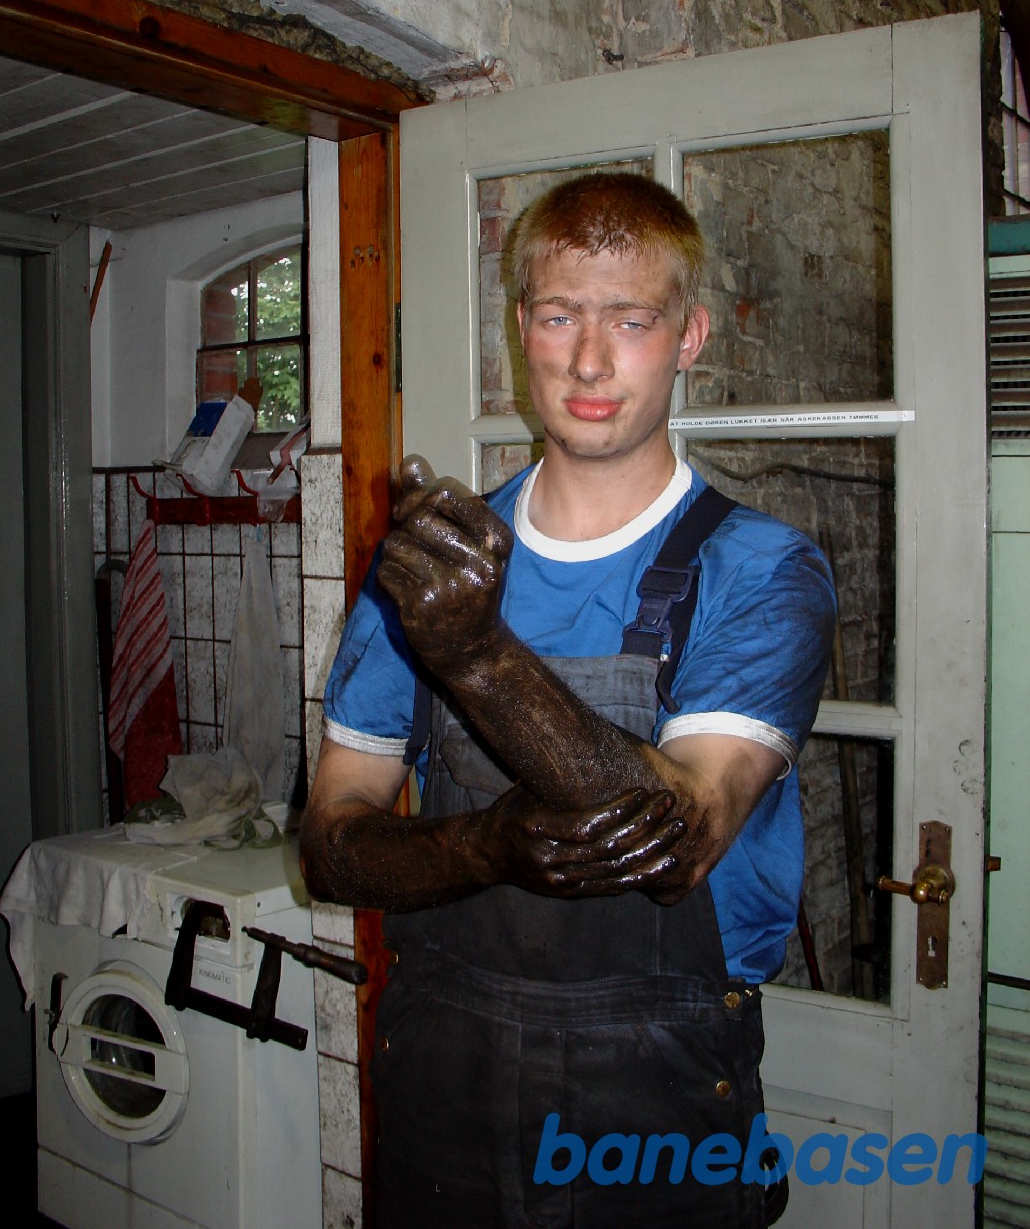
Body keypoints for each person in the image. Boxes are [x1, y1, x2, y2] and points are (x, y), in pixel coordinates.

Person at [300, 172, 836, 1228]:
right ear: (521, 331)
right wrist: (485, 848)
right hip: (440, 1084)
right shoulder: (426, 569)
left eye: (630, 320)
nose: (590, 360)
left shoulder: (762, 571)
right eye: (559, 315)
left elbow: (677, 840)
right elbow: (328, 848)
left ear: (689, 335)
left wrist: (480, 654)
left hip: (657, 1103)